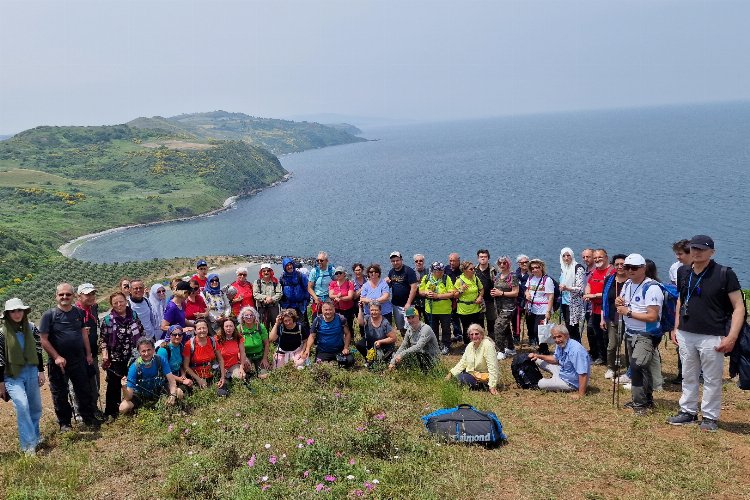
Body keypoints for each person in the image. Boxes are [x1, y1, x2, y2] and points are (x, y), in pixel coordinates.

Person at [668, 235, 745, 432]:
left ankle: (710, 417)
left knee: (711, 378)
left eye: (702, 249)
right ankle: (688, 411)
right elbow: (680, 300)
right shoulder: (683, 271)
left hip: (713, 334)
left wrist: (732, 337)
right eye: (694, 248)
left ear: (712, 252)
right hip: (686, 332)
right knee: (688, 375)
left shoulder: (724, 273)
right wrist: (676, 326)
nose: (697, 252)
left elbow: (738, 307)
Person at [614, 254, 664, 415]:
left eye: (634, 268)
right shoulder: (628, 284)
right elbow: (623, 302)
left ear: (643, 268)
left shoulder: (652, 288)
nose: (629, 271)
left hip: (646, 334)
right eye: (627, 267)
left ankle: (640, 404)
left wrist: (628, 312)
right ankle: (646, 399)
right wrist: (618, 302)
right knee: (642, 367)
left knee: (637, 366)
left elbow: (652, 316)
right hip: (630, 332)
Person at [0, 298, 45, 454]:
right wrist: (1, 383)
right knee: (22, 405)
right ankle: (27, 446)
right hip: (12, 375)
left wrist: (41, 371)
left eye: (19, 310)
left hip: (32, 371)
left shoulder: (32, 328)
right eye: (13, 311)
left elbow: (38, 350)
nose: (17, 313)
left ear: (24, 312)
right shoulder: (2, 333)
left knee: (35, 407)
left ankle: (36, 436)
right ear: (7, 314)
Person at [99, 292, 144, 419]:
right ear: (111, 305)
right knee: (114, 384)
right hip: (115, 358)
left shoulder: (133, 315)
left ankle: (132, 405)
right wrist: (105, 355)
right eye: (115, 303)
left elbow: (141, 332)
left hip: (133, 355)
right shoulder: (108, 320)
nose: (119, 305)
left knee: (132, 380)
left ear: (126, 301)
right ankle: (111, 412)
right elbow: (103, 340)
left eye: (121, 301)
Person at [120, 337, 182, 414]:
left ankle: (175, 410)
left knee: (178, 392)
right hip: (141, 394)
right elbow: (128, 397)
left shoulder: (160, 360)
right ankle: (135, 415)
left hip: (158, 391)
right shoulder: (134, 367)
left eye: (149, 350)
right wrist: (124, 387)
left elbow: (172, 381)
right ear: (139, 352)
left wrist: (172, 395)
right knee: (123, 407)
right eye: (143, 351)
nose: (146, 353)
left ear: (153, 349)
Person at [529, 324, 590, 398]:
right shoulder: (561, 344)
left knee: (541, 384)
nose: (557, 340)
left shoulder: (576, 350)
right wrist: (538, 356)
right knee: (537, 360)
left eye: (559, 336)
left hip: (570, 382)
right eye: (554, 337)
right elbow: (555, 359)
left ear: (567, 335)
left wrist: (581, 394)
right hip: (563, 371)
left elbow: (583, 373)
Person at [445, 323, 499, 394]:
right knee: (455, 377)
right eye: (471, 334)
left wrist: (492, 386)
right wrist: (451, 373)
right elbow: (463, 363)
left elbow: (493, 367)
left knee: (458, 379)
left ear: (482, 335)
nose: (474, 336)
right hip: (472, 373)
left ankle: (482, 386)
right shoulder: (470, 346)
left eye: (477, 334)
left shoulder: (488, 345)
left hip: (484, 378)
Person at [73, 283, 101, 419]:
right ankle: (80, 413)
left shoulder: (94, 308)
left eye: (92, 294)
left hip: (93, 353)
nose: (91, 297)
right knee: (79, 386)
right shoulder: (73, 312)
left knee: (95, 384)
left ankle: (93, 409)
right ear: (79, 296)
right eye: (87, 294)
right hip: (78, 356)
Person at [584, 249, 614, 365]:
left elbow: (612, 292)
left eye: (600, 257)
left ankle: (607, 358)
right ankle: (599, 355)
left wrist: (594, 295)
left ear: (606, 257)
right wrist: (587, 293)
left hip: (606, 309)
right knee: (595, 332)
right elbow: (588, 284)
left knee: (606, 334)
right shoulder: (594, 271)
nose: (597, 260)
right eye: (595, 258)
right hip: (594, 308)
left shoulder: (611, 272)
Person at [601, 254, 628, 380]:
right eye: (617, 264)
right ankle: (611, 368)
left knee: (629, 346)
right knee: (612, 345)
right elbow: (604, 300)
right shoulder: (609, 280)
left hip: (629, 319)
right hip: (612, 317)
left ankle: (630, 371)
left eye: (622, 264)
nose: (619, 267)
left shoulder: (631, 280)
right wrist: (603, 318)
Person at [668, 239, 691, 384]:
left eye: (680, 254)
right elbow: (676, 291)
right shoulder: (676, 268)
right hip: (682, 309)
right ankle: (681, 373)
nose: (677, 257)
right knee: (681, 345)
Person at [419, 262, 455, 355]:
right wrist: (426, 293)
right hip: (430, 309)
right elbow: (420, 291)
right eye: (436, 271)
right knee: (432, 328)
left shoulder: (446, 278)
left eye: (441, 271)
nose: (439, 273)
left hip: (444, 309)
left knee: (446, 328)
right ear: (432, 270)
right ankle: (435, 345)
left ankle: (446, 345)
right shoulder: (426, 278)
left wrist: (437, 296)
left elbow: (451, 293)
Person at [183, 319, 227, 396]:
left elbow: (220, 359)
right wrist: (199, 380)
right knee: (204, 394)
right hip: (197, 376)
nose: (202, 330)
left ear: (207, 329)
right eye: (199, 329)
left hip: (212, 374)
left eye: (204, 328)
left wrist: (222, 377)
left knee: (223, 393)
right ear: (195, 331)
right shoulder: (189, 344)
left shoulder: (212, 341)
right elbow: (186, 366)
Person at [388, 307, 440, 372]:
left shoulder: (426, 329)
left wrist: (401, 355)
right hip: (419, 355)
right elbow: (403, 346)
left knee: (405, 355)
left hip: (431, 358)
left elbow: (418, 347)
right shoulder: (409, 329)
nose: (411, 320)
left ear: (418, 316)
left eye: (413, 317)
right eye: (408, 318)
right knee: (396, 356)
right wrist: (392, 362)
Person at [490, 256, 519, 360]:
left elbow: (515, 292)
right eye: (500, 263)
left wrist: (501, 293)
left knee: (498, 326)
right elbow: (496, 289)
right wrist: (494, 293)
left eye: (504, 263)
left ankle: (500, 351)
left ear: (508, 264)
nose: (502, 265)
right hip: (499, 306)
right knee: (505, 328)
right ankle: (511, 348)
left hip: (509, 307)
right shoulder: (497, 276)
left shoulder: (512, 276)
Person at [305, 300, 353, 365]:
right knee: (319, 366)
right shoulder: (318, 320)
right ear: (322, 310)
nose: (328, 312)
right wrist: (307, 349)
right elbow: (312, 336)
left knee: (349, 361)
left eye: (330, 309)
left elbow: (347, 333)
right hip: (323, 351)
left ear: (334, 310)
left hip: (338, 351)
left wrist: (346, 348)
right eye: (326, 310)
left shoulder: (341, 319)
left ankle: (335, 362)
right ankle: (327, 362)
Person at [524, 259, 554, 354]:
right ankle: (540, 347)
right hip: (532, 308)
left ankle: (544, 350)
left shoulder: (547, 280)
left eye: (537, 267)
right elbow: (527, 289)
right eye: (532, 268)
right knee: (533, 330)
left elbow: (550, 297)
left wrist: (548, 312)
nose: (534, 270)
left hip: (543, 310)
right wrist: (527, 294)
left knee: (540, 330)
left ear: (541, 267)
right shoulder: (530, 278)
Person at [356, 301, 398, 367]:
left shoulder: (385, 323)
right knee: (359, 344)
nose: (374, 312)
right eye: (372, 310)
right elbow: (361, 323)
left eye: (376, 310)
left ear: (380, 310)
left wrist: (380, 342)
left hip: (383, 346)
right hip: (372, 343)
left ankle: (380, 360)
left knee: (383, 361)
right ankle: (369, 359)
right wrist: (360, 309)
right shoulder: (367, 318)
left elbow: (393, 338)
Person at [387, 251, 419, 332]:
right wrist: (387, 282)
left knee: (411, 327)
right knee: (400, 327)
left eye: (397, 260)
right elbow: (391, 284)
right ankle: (405, 343)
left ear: (401, 260)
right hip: (396, 305)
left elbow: (414, 287)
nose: (395, 262)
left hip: (408, 305)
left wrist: (408, 303)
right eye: (393, 261)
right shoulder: (391, 272)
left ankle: (412, 344)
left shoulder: (409, 271)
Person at [558, 248, 585, 342]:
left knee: (572, 328)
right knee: (568, 327)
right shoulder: (563, 268)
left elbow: (580, 288)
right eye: (564, 256)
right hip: (564, 301)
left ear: (572, 255)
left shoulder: (578, 268)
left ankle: (576, 349)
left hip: (573, 303)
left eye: (568, 255)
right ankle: (571, 348)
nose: (566, 258)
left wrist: (567, 288)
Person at [156, 325, 193, 392]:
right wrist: (181, 380)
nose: (177, 337)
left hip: (177, 375)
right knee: (179, 391)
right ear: (169, 335)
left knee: (190, 383)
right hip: (166, 379)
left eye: (180, 334)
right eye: (174, 334)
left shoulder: (180, 346)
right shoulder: (163, 350)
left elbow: (180, 365)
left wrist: (183, 375)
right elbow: (163, 371)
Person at [455, 261, 484, 345]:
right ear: (464, 270)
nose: (473, 270)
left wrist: (480, 297)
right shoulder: (459, 280)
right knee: (466, 328)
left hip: (475, 308)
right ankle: (468, 346)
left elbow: (481, 289)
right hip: (464, 309)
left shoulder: (475, 278)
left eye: (474, 268)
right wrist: (461, 290)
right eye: (471, 269)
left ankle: (479, 344)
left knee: (477, 328)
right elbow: (455, 295)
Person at [238, 306, 270, 378]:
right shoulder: (239, 328)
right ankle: (249, 372)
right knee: (245, 374)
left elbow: (267, 344)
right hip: (246, 356)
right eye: (246, 315)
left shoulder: (260, 327)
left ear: (255, 317)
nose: (249, 317)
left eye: (251, 315)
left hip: (259, 355)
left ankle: (258, 369)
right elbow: (236, 347)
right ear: (242, 317)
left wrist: (265, 358)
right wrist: (243, 361)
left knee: (264, 376)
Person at [279, 258, 310, 327]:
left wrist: (307, 300)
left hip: (300, 305)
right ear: (284, 267)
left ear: (293, 265)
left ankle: (304, 337)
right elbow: (279, 291)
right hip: (288, 305)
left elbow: (307, 288)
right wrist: (282, 303)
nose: (289, 267)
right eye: (287, 266)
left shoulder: (301, 276)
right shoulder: (282, 278)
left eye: (290, 265)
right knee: (289, 324)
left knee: (302, 324)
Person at [475, 249, 497, 340]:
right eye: (481, 257)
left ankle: (492, 339)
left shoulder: (493, 270)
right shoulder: (474, 270)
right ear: (478, 258)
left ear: (488, 258)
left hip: (491, 300)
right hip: (478, 300)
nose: (483, 258)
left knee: (491, 320)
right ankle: (481, 339)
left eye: (485, 257)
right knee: (479, 321)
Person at [253, 264, 282, 329]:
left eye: (268, 271)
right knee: (263, 328)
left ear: (270, 272)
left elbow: (279, 294)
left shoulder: (276, 282)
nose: (266, 272)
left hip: (274, 308)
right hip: (262, 308)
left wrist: (271, 299)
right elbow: (255, 294)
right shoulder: (257, 282)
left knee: (276, 326)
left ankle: (275, 339)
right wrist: (265, 297)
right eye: (264, 271)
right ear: (261, 272)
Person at [329, 266, 356, 334]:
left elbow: (350, 297)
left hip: (348, 309)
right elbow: (330, 295)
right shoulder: (333, 283)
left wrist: (339, 298)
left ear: (344, 274)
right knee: (337, 325)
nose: (338, 274)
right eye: (336, 273)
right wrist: (338, 296)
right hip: (336, 308)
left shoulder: (349, 283)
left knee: (348, 325)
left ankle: (350, 340)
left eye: (340, 273)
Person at [444, 253, 463, 343]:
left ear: (458, 261)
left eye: (454, 261)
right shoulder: (446, 269)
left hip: (461, 296)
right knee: (453, 317)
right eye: (450, 260)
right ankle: (457, 334)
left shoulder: (462, 270)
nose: (451, 263)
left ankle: (465, 334)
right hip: (450, 297)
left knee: (462, 317)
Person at [514, 254, 531, 343]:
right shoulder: (514, 275)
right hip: (518, 301)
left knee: (530, 320)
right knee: (516, 320)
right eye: (522, 262)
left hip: (529, 301)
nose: (524, 264)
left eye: (526, 262)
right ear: (518, 264)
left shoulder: (532, 274)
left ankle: (532, 337)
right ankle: (516, 336)